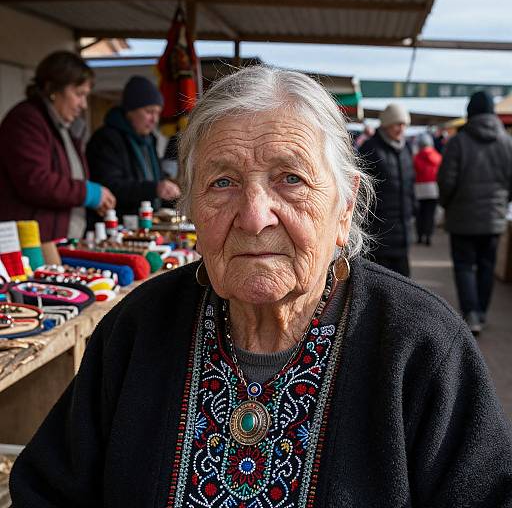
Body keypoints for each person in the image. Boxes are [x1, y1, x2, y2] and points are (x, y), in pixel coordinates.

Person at [10, 67, 512, 507]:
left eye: (290, 178)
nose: (253, 217)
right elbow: (48, 492)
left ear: (344, 206)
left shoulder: (422, 345)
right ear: (190, 209)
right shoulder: (139, 326)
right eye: (222, 182)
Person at [0, 51, 116, 241]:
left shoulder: (63, 126)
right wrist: (88, 192)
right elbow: (36, 181)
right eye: (79, 94)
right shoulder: (26, 120)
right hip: (32, 242)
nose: (84, 105)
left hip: (57, 238)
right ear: (53, 88)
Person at [438, 91, 512, 335]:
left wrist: (448, 204)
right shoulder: (506, 142)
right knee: (486, 266)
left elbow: (446, 180)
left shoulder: (459, 141)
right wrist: (501, 204)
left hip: (463, 217)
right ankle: (481, 311)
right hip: (494, 218)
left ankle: (470, 314)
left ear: (470, 112)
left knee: (464, 266)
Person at [87, 75, 181, 223]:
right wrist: (155, 188)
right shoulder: (106, 139)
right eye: (149, 112)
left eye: (157, 113)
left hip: (148, 221)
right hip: (116, 224)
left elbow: (156, 179)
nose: (154, 119)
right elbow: (111, 185)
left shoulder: (150, 140)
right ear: (130, 111)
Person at [359, 103, 415, 276]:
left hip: (402, 231)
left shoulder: (405, 148)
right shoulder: (370, 148)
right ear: (386, 124)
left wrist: (413, 209)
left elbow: (410, 183)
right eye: (397, 124)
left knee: (405, 285)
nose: (401, 129)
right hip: (379, 233)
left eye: (404, 124)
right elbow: (362, 190)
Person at [413, 132, 442, 245]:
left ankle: (420, 237)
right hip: (433, 189)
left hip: (419, 188)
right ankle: (428, 237)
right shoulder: (438, 157)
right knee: (430, 214)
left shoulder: (416, 157)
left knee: (420, 215)